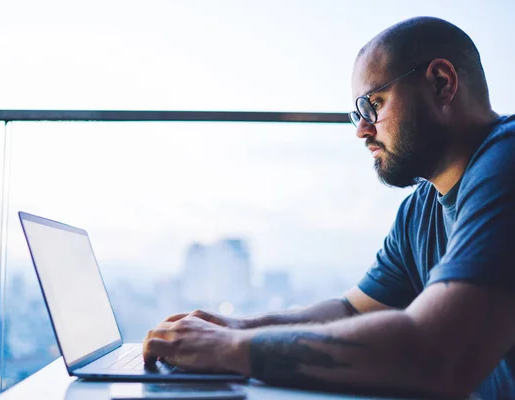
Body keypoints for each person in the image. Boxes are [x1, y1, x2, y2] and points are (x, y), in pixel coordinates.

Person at [143, 16, 515, 399]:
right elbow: (351, 311)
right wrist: (237, 328)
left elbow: (436, 354)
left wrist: (226, 350)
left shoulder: (507, 163)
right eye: (358, 114)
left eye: (374, 104)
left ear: (441, 83)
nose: (362, 130)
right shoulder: (420, 210)